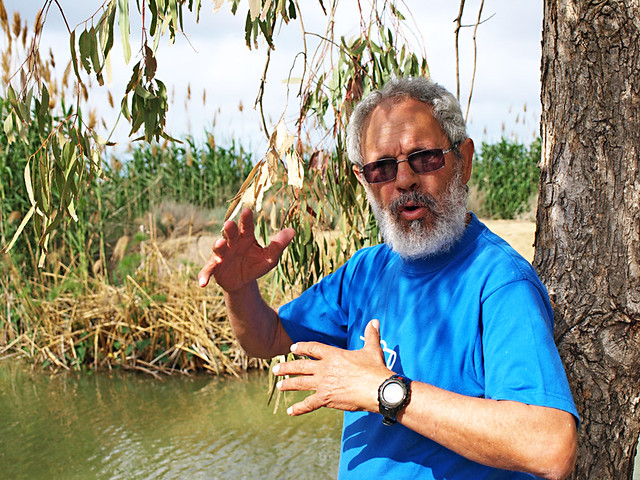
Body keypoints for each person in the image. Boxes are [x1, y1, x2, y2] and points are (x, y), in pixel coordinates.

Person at [198, 77, 579, 480]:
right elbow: (266, 337)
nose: (404, 180)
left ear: (463, 160)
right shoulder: (366, 271)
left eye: (425, 158)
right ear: (364, 180)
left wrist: (386, 391)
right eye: (382, 167)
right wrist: (239, 289)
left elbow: (548, 446)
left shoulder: (501, 284)